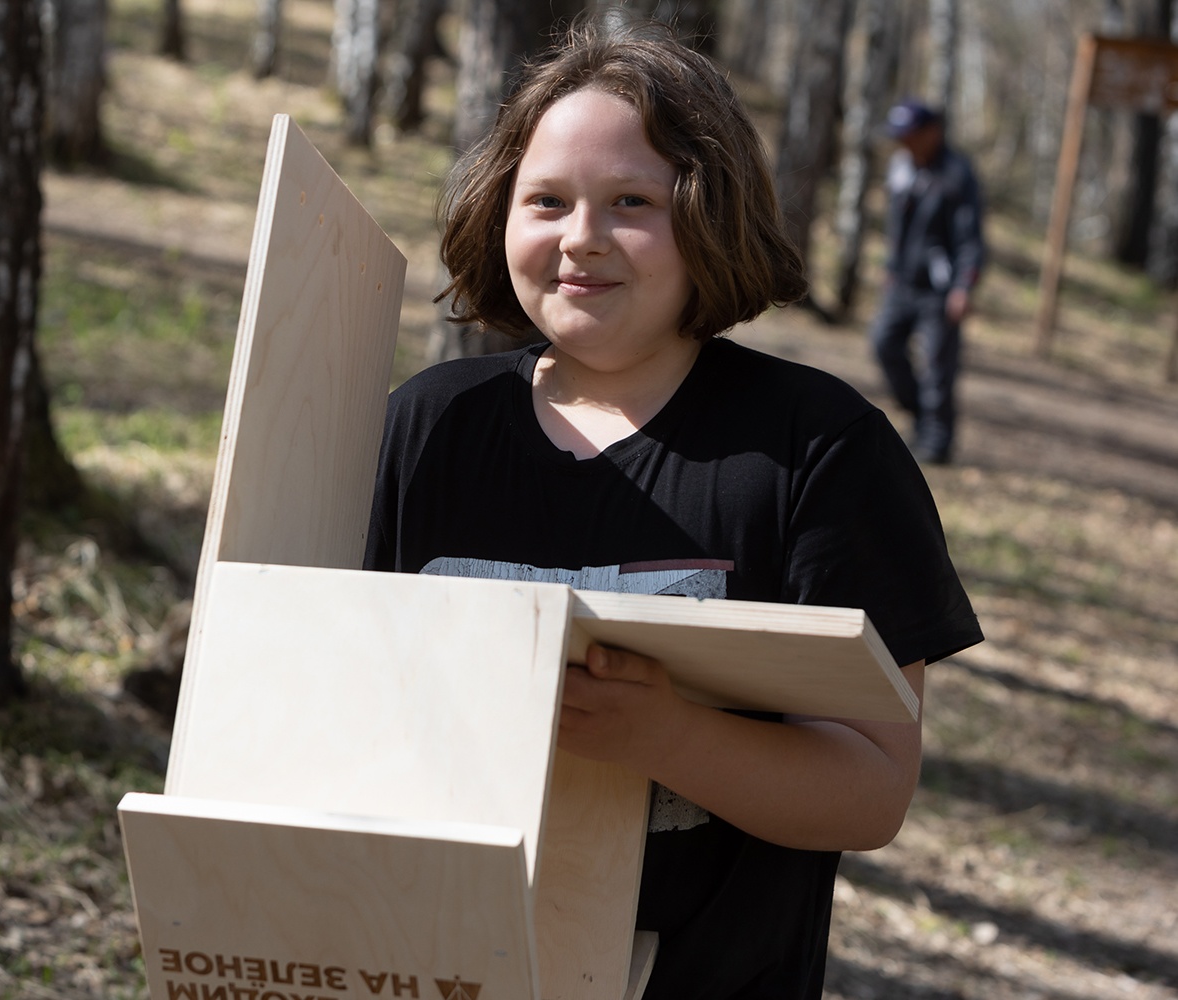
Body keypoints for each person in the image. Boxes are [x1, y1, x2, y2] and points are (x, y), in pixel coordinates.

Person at [365, 17, 982, 1000]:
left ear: (710, 213)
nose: (581, 238)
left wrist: (666, 735)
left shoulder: (818, 451)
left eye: (632, 202)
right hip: (432, 969)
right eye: (548, 200)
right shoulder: (422, 428)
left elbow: (872, 789)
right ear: (499, 212)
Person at [870, 98, 986, 466]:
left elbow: (971, 237)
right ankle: (921, 417)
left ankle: (937, 442)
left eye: (911, 135)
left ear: (932, 132)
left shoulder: (956, 173)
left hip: (941, 289)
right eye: (899, 137)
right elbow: (898, 227)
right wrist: (890, 266)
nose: (904, 143)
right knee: (883, 343)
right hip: (902, 283)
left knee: (938, 366)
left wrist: (963, 287)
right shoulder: (902, 168)